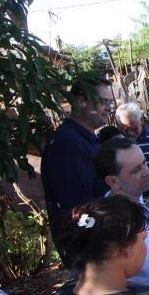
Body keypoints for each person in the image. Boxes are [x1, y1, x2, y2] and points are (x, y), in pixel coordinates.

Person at [94, 136, 149, 286]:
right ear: (113, 181)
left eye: (144, 163)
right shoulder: (127, 225)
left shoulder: (131, 199)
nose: (147, 172)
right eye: (136, 170)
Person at [41, 72, 114, 241]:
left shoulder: (86, 138)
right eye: (103, 102)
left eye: (110, 101)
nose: (110, 108)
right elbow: (75, 210)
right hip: (87, 244)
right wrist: (102, 236)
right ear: (81, 101)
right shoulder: (68, 144)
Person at [115, 102, 149, 206]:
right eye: (125, 129)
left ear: (141, 121)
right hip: (129, 204)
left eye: (134, 129)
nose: (130, 133)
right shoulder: (115, 144)